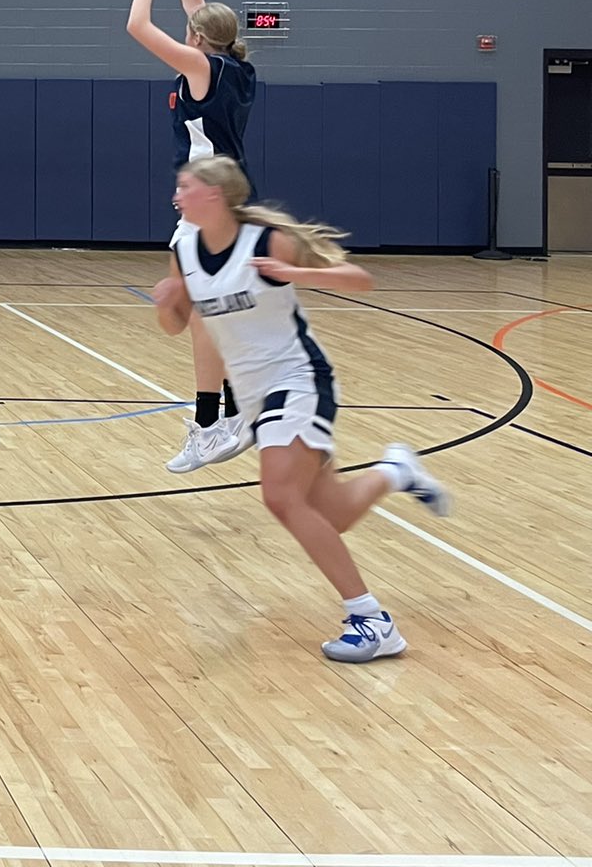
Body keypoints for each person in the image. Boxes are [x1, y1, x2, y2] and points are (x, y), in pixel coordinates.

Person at [152, 156, 452, 662]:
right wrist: (166, 302)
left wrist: (292, 272)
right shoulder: (184, 248)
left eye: (185, 186)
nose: (176, 195)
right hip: (253, 395)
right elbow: (177, 326)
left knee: (280, 496)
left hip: (298, 379)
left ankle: (371, 620)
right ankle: (395, 471)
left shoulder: (269, 241)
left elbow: (360, 278)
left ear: (216, 195)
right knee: (330, 512)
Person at [128, 0, 259, 474]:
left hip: (209, 208)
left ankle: (212, 425)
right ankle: (230, 414)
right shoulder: (235, 66)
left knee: (200, 317)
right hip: (220, 203)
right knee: (210, 316)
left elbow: (138, 27)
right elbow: (197, 9)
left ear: (200, 38)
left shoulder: (201, 69)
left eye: (193, 28)